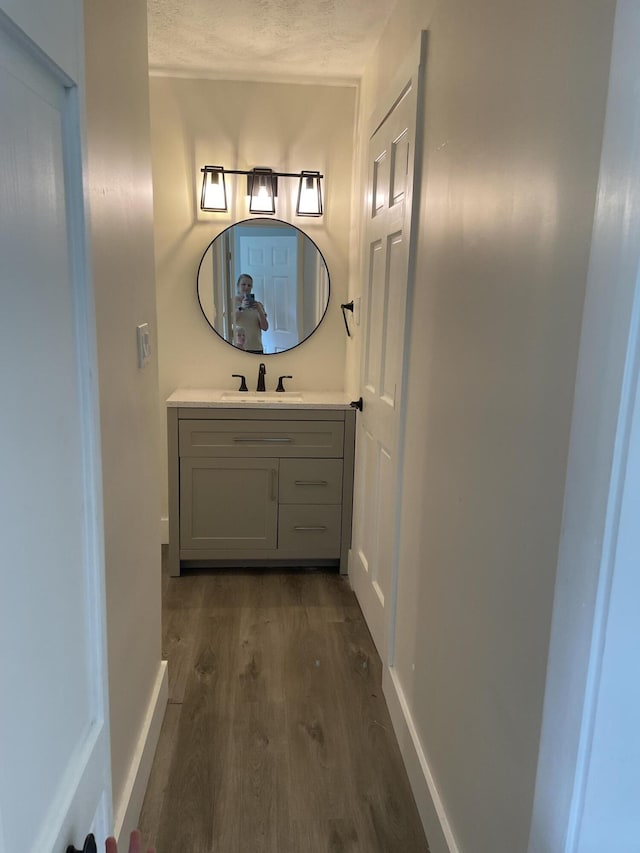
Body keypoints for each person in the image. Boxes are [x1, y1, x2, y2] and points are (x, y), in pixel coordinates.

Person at [234, 273, 268, 354]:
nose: (246, 287)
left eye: (249, 285)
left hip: (256, 347)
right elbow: (229, 322)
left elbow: (265, 327)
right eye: (243, 284)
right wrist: (241, 307)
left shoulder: (258, 305)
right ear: (238, 286)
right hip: (239, 347)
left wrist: (259, 310)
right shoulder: (231, 302)